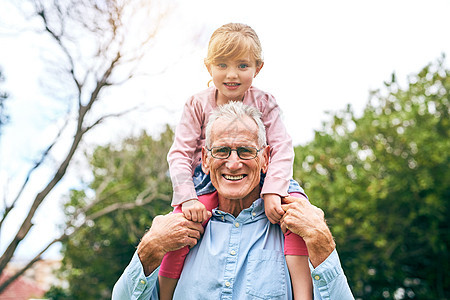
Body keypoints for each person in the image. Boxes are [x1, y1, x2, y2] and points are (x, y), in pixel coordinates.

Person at [112, 102, 354, 299]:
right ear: (205, 159)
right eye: (222, 151)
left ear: (266, 158)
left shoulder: (296, 227)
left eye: (246, 151)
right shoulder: (178, 233)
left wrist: (322, 242)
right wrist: (150, 248)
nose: (234, 163)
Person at [163, 23, 311, 299]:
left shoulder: (265, 102)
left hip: (266, 173)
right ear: (209, 67)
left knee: (298, 214)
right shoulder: (197, 104)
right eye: (222, 65)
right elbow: (180, 153)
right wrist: (188, 198)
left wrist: (273, 191)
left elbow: (281, 148)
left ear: (258, 68)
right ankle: (165, 293)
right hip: (208, 179)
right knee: (178, 229)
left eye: (242, 65)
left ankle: (303, 292)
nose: (232, 75)